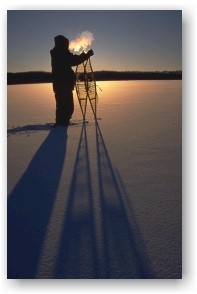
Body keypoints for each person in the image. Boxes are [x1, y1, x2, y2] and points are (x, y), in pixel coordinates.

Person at [50, 35, 94, 126]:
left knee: (61, 105)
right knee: (68, 107)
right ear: (63, 44)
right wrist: (87, 55)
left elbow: (72, 59)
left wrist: (85, 55)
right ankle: (62, 123)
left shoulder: (58, 53)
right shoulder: (61, 53)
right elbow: (74, 60)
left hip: (60, 84)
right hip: (63, 84)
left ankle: (60, 123)